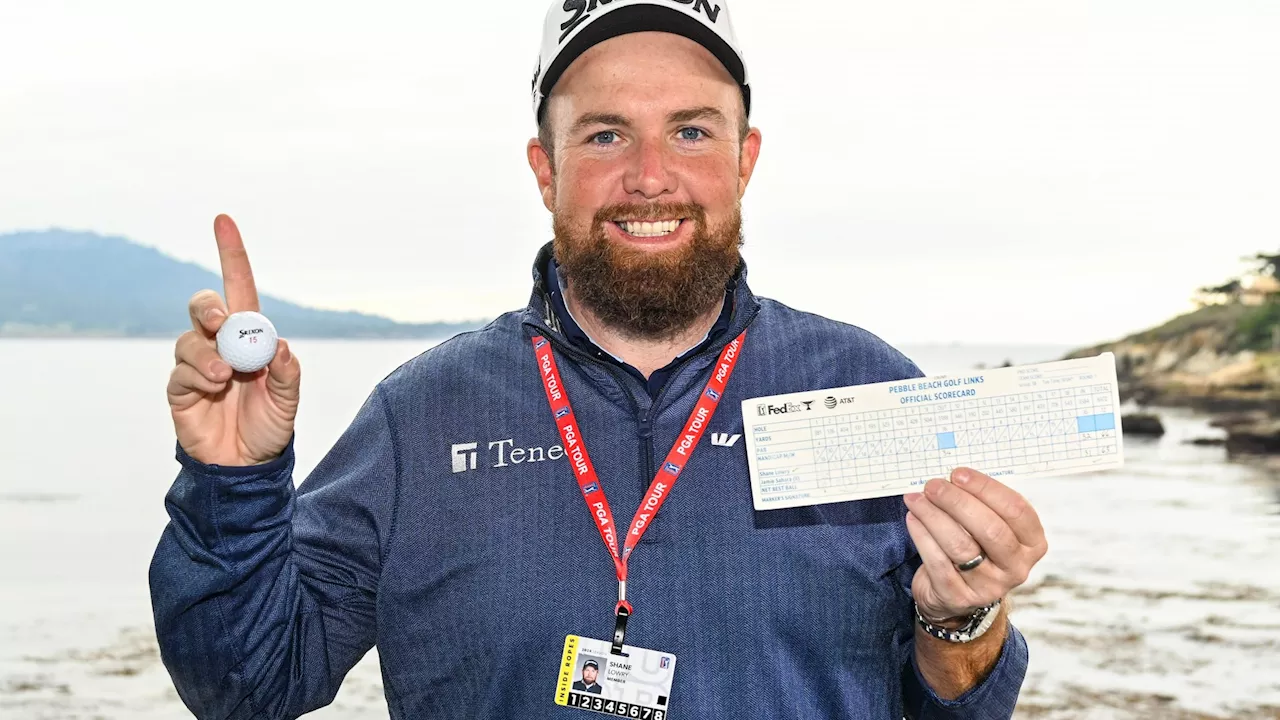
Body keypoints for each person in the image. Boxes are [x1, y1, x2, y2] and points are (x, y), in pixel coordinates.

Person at [152, 2, 1047, 718]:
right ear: (545, 170)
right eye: (606, 134)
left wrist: (964, 615)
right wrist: (232, 482)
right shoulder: (422, 415)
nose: (650, 176)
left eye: (692, 132)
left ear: (747, 159)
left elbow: (957, 707)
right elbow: (247, 687)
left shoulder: (865, 388)